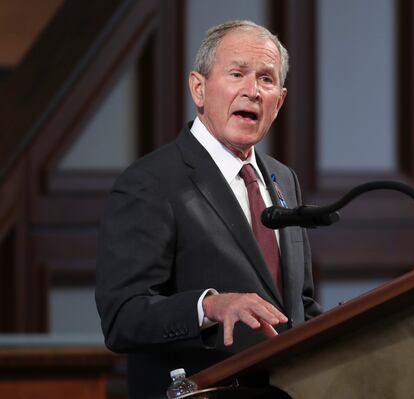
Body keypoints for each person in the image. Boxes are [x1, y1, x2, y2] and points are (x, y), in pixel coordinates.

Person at [95, 20, 321, 399]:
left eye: (266, 80)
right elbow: (123, 317)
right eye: (237, 74)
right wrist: (209, 306)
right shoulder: (151, 181)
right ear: (198, 88)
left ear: (279, 102)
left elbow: (300, 304)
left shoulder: (284, 179)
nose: (252, 91)